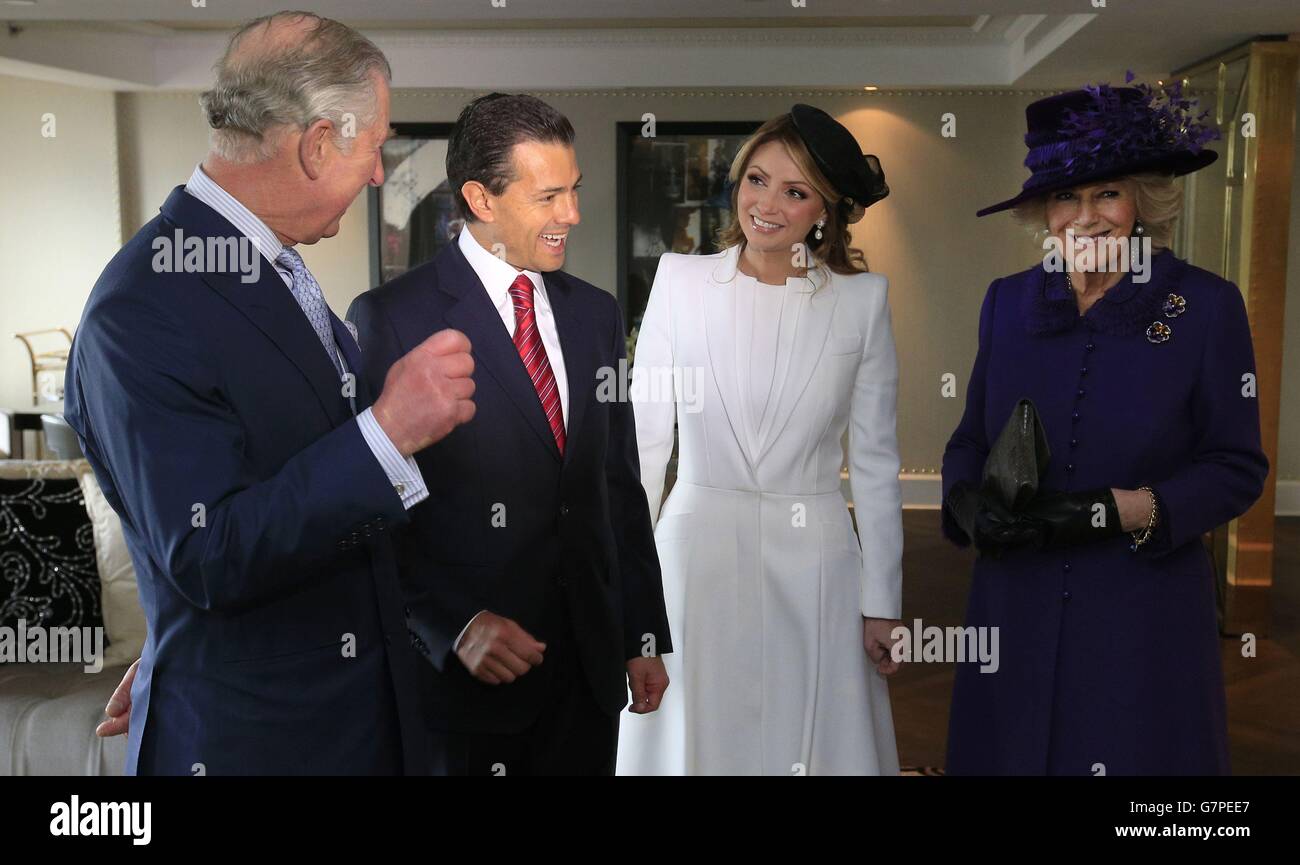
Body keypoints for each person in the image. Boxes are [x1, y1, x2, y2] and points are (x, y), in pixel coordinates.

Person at [68, 12, 475, 774]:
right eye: (376, 145)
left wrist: (174, 634)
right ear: (318, 145)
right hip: (259, 746)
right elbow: (206, 552)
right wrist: (387, 431)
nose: (383, 172)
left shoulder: (270, 266)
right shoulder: (143, 307)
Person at [942, 81, 1269, 774]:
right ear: (1044, 209)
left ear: (1145, 202)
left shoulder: (1206, 306)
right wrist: (968, 505)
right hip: (1015, 598)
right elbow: (970, 438)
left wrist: (1109, 512)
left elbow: (1235, 466)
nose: (1085, 217)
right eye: (1067, 196)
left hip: (1141, 606)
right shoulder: (1007, 301)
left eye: (1107, 194)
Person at [347, 93, 672, 776]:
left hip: (587, 672)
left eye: (573, 191)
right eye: (548, 196)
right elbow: (367, 509)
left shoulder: (598, 315)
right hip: (463, 686)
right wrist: (450, 624)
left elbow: (618, 486)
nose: (573, 216)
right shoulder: (391, 320)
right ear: (481, 198)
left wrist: (642, 634)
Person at [617, 105, 903, 775]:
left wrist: (883, 603)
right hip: (692, 562)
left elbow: (876, 463)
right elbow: (644, 450)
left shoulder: (862, 304)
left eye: (795, 191)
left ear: (824, 212)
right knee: (696, 740)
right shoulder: (678, 283)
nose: (766, 204)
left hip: (818, 567)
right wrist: (630, 598)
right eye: (756, 179)